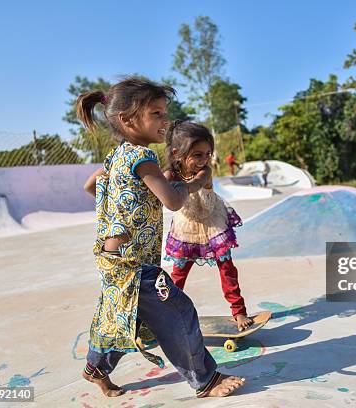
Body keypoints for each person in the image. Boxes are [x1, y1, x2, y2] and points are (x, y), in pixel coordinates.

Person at [77, 77, 245, 399]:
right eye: (156, 113)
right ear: (127, 120)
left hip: (111, 258)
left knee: (125, 315)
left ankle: (96, 367)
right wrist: (196, 182)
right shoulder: (143, 157)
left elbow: (90, 187)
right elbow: (173, 201)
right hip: (136, 262)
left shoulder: (116, 157)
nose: (164, 121)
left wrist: (129, 200)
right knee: (179, 312)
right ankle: (206, 379)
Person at [163, 121, 254, 331]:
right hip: (187, 227)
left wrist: (178, 186)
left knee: (227, 268)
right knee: (178, 274)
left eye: (208, 154)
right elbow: (157, 186)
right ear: (177, 154)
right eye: (198, 155)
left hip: (212, 222)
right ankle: (168, 315)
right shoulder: (169, 174)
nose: (204, 160)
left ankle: (239, 311)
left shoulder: (205, 172)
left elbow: (195, 185)